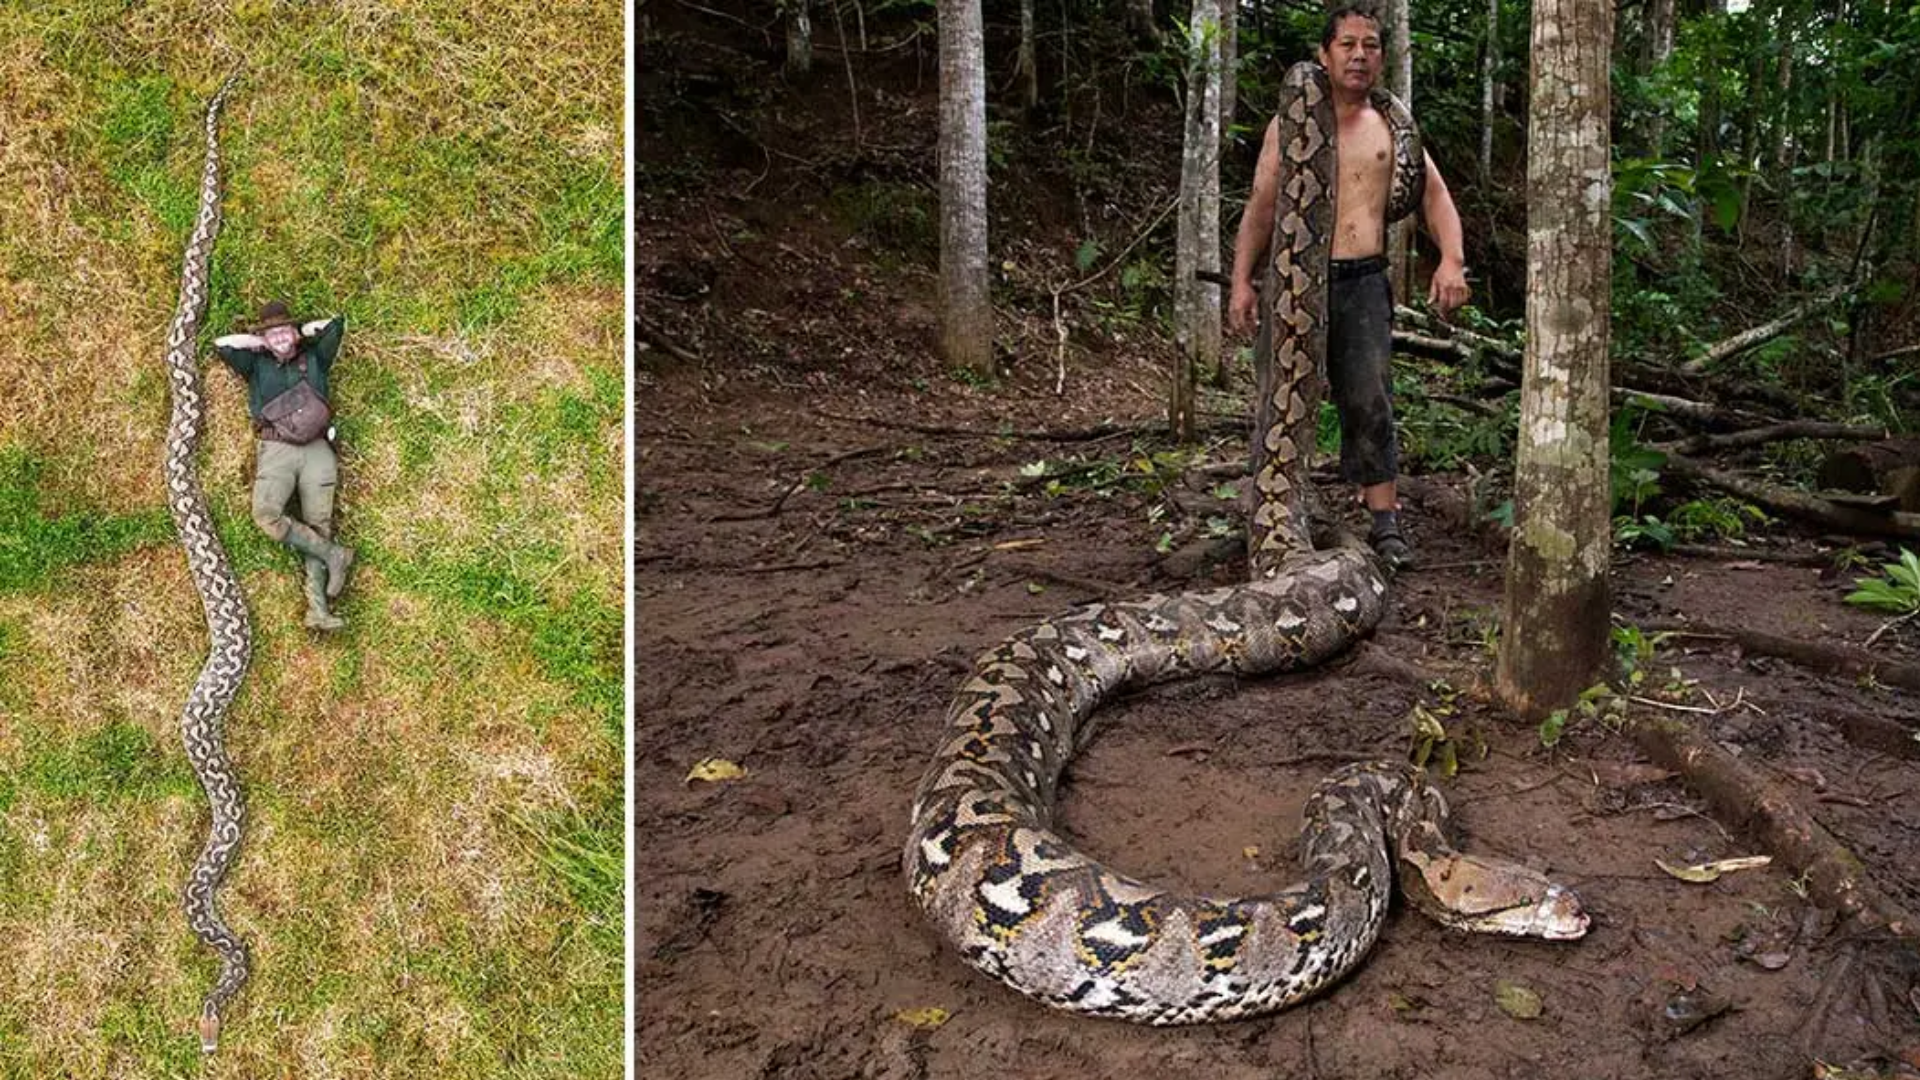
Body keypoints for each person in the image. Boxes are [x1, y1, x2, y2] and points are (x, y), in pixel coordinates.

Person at [1228, 6, 1470, 572]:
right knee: (1280, 396)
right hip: (1294, 281)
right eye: (1347, 45)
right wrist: (1242, 280)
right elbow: (1262, 207)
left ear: (1382, 56)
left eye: (1371, 45)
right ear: (1324, 54)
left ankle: (1385, 524)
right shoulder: (1288, 126)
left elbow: (1435, 198)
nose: (1359, 55)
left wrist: (1451, 259)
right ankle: (1280, 513)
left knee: (1369, 398)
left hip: (1362, 280)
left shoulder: (1390, 127)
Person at [214, 300, 356, 630]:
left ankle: (318, 611)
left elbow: (335, 323)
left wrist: (302, 334)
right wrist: (260, 340)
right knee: (266, 515)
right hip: (276, 448)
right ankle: (334, 554)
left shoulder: (316, 356)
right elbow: (222, 344)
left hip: (318, 448)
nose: (278, 338)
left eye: (283, 331)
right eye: (271, 333)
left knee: (318, 525)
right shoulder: (255, 364)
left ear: (293, 332)